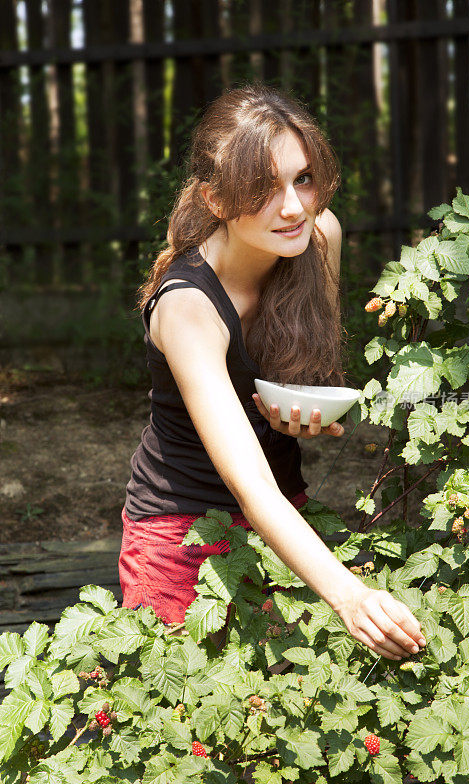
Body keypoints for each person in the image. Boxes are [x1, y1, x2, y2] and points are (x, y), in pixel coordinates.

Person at [119, 82, 426, 661]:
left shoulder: (320, 237)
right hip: (180, 539)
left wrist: (302, 418)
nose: (292, 207)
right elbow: (250, 486)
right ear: (214, 200)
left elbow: (307, 376)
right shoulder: (187, 308)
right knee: (185, 736)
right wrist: (351, 598)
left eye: (302, 178)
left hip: (285, 521)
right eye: (263, 188)